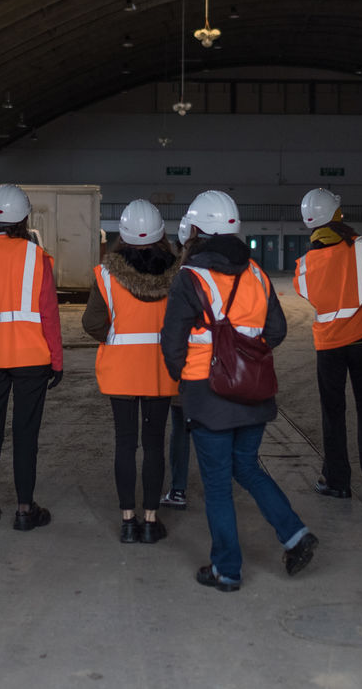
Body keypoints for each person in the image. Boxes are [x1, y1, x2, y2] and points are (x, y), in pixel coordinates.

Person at [161, 190, 317, 592]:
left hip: (207, 394)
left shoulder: (190, 278)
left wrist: (186, 378)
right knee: (246, 467)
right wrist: (245, 356)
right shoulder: (258, 274)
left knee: (217, 486)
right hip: (254, 392)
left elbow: (172, 343)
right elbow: (276, 331)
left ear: (197, 231)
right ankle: (295, 534)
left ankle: (227, 570)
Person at [0, 184, 64, 531]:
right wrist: (56, 360)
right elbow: (49, 313)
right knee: (25, 434)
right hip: (31, 357)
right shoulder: (37, 257)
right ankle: (24, 509)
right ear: (24, 219)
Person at [83, 199, 181, 544]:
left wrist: (115, 336)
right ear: (161, 234)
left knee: (125, 444)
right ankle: (151, 521)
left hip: (121, 372)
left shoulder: (106, 275)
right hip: (160, 372)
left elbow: (92, 322)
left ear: (121, 235)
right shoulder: (178, 275)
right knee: (154, 445)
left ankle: (128, 521)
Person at [292, 187, 362, 499]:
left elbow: (310, 294)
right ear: (336, 214)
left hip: (328, 346)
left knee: (332, 414)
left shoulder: (304, 265)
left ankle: (337, 480)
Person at [160, 213, 195, 511]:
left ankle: (179, 489)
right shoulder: (231, 273)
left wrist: (174, 370)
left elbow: (171, 330)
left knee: (181, 431)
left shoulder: (176, 277)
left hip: (185, 370)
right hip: (218, 371)